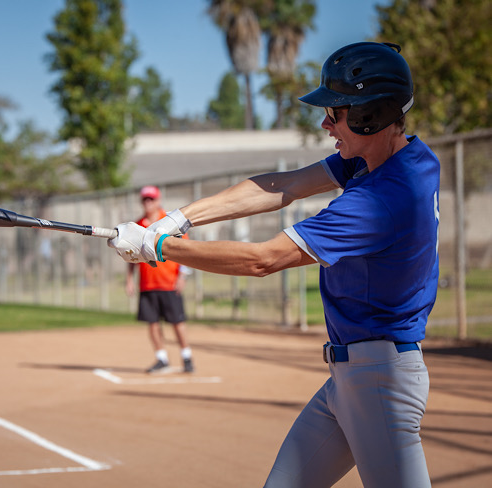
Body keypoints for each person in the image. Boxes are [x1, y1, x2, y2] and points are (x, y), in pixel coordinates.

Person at [108, 42, 439, 487]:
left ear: (370, 115)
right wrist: (181, 217)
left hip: (380, 384)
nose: (326, 125)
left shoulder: (380, 200)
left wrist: (160, 247)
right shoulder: (400, 158)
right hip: (350, 378)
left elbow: (261, 259)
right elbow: (283, 185)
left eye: (336, 113)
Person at [127, 185, 195, 374]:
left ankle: (187, 356)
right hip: (147, 284)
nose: (148, 203)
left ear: (158, 201)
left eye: (151, 199)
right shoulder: (137, 225)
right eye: (145, 200)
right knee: (153, 323)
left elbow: (186, 250)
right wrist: (129, 280)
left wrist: (183, 276)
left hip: (169, 282)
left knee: (177, 322)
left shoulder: (170, 222)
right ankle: (162, 359)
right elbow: (131, 255)